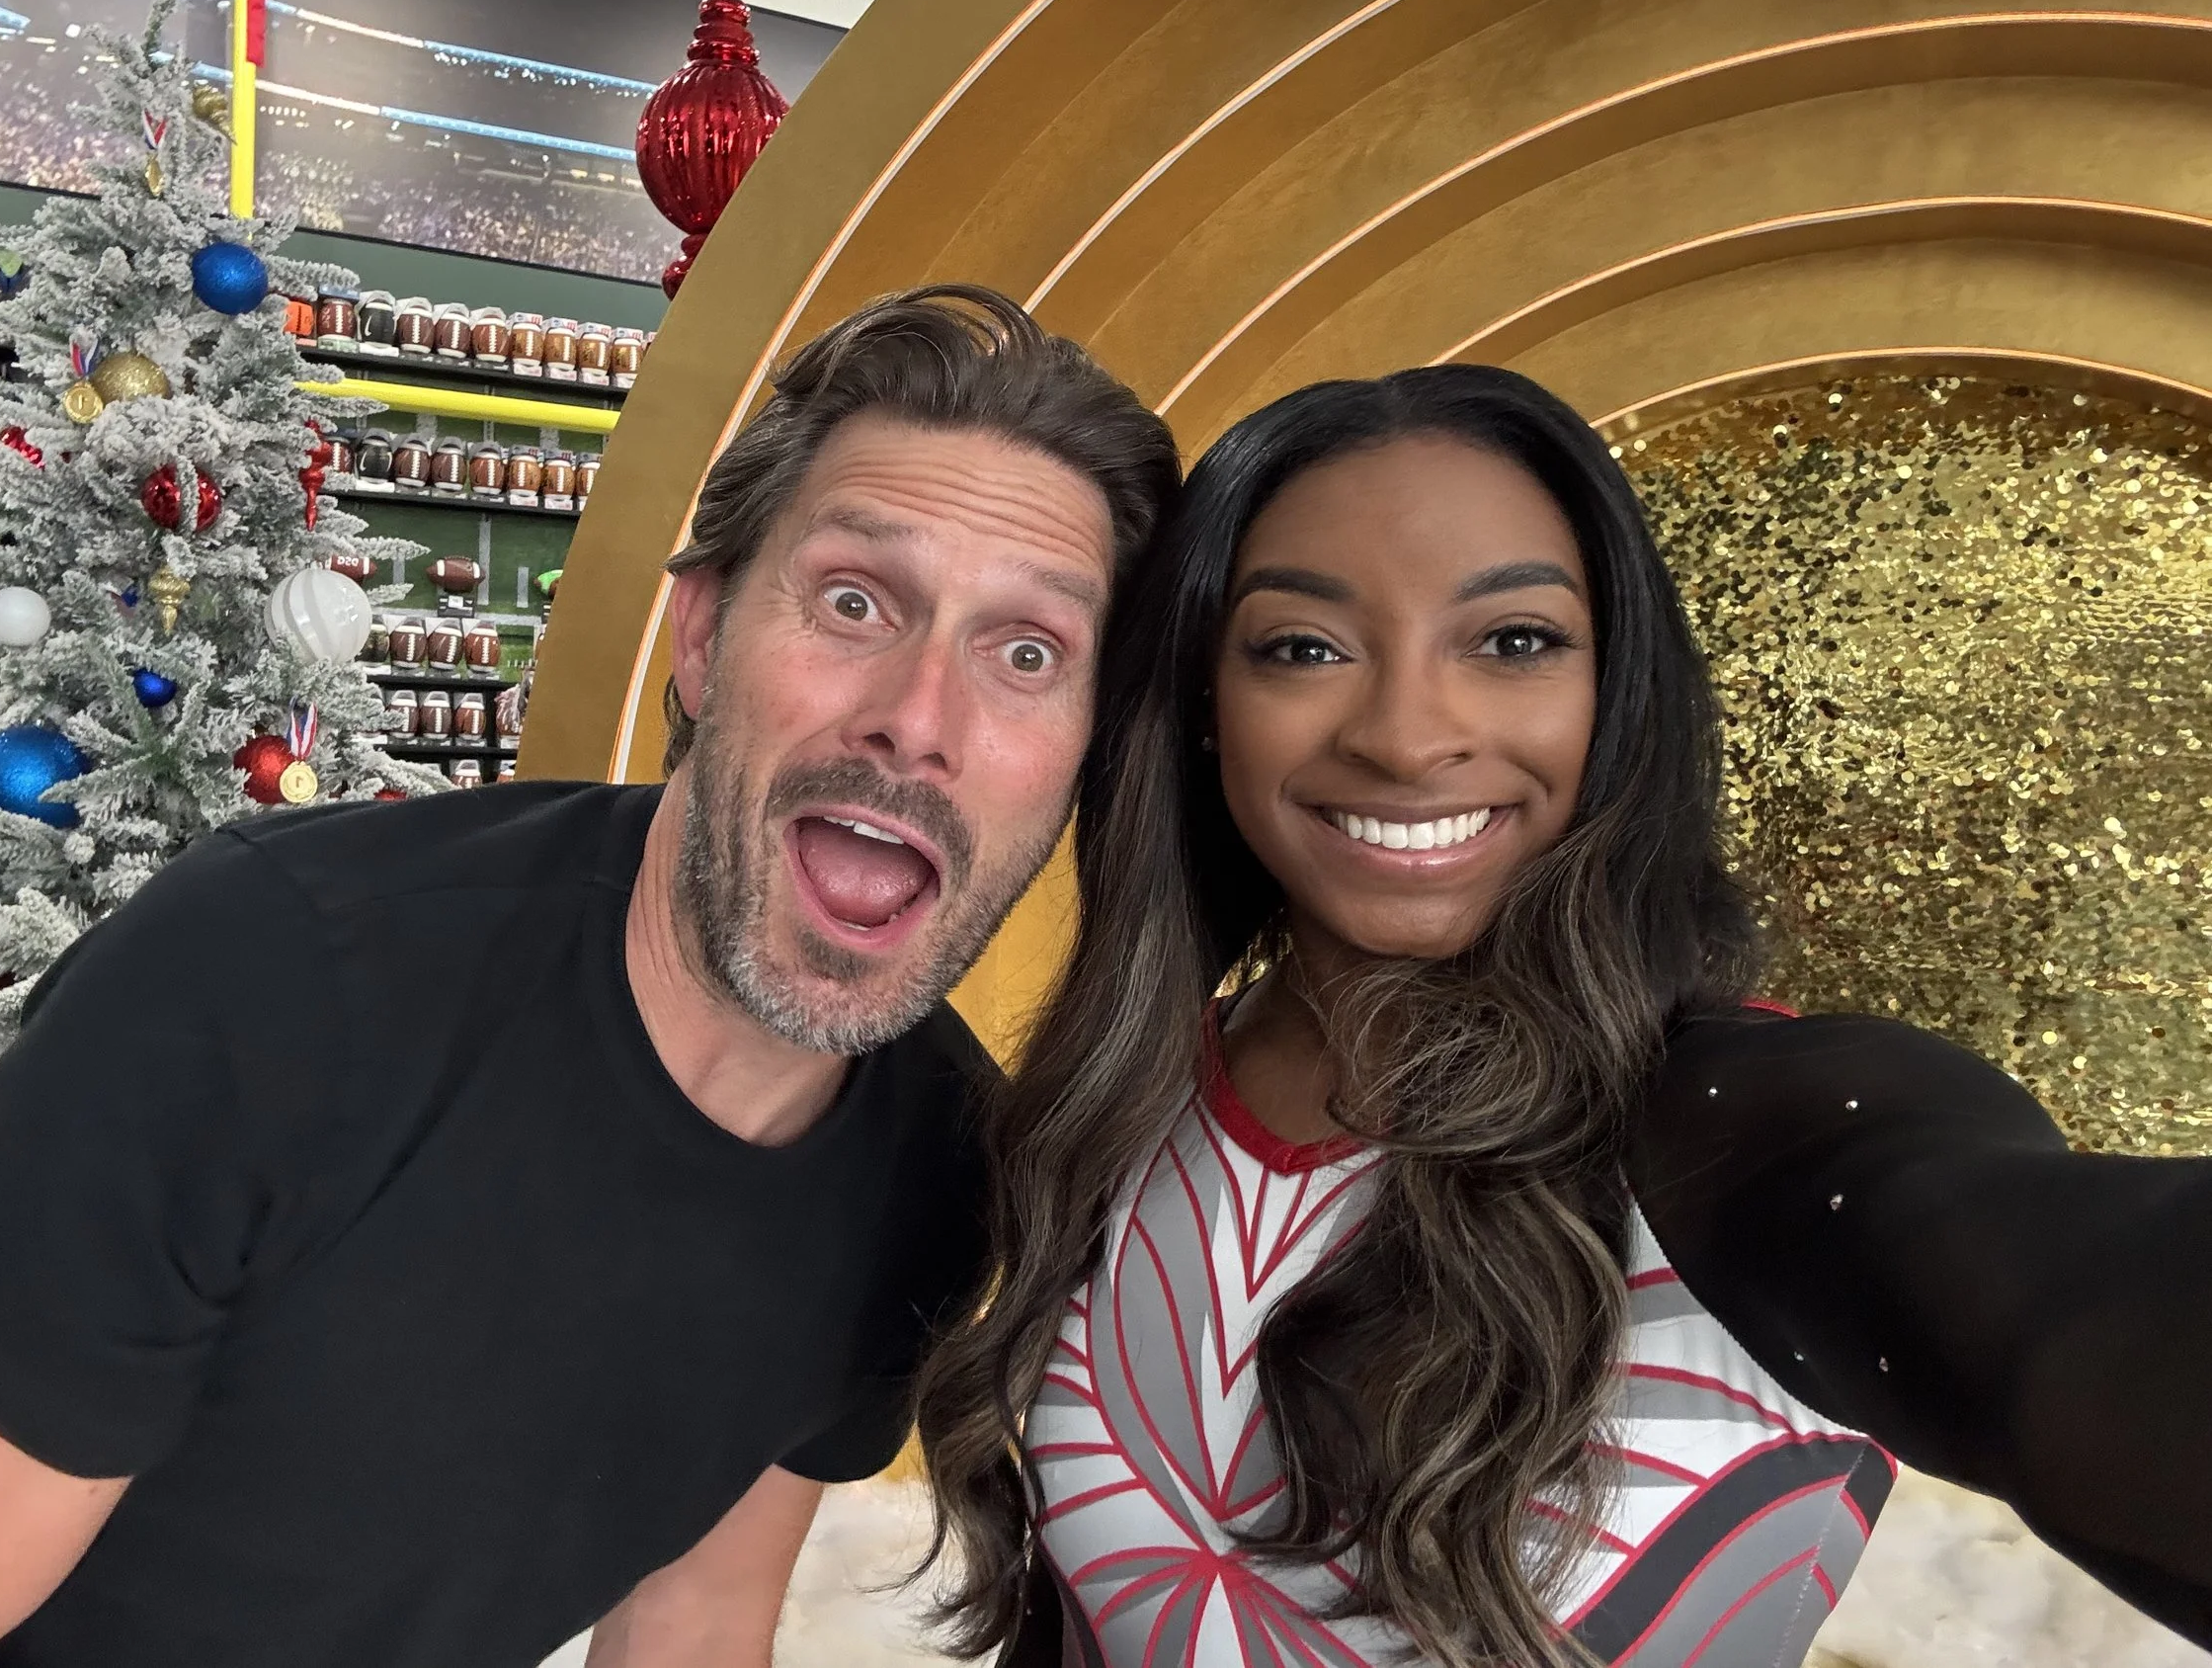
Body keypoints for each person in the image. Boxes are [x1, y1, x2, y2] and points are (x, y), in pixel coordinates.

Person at [0, 284, 1181, 1668]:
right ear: (701, 634)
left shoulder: (932, 1161)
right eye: (857, 602)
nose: (918, 718)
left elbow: (689, 1630)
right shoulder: (270, 988)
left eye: (1027, 651)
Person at [914, 365, 2212, 1668]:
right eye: (1303, 647)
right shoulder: (1119, 1102)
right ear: (1203, 706)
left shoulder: (1744, 1129)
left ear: (1617, 693)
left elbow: (2081, 1315)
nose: (1409, 736)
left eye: (1514, 641)